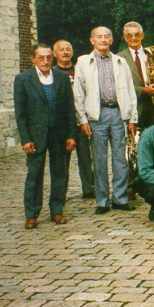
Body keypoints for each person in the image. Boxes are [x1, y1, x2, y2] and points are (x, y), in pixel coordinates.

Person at [72, 26, 138, 215]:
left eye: (106, 36)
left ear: (111, 40)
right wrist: (83, 120)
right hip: (97, 115)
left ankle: (120, 199)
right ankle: (102, 201)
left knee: (120, 159)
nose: (103, 39)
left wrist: (132, 118)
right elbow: (78, 94)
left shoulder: (120, 62)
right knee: (99, 159)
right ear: (92, 40)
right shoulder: (84, 62)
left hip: (118, 113)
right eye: (98, 37)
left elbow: (131, 92)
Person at [14, 44, 78, 229]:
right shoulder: (23, 80)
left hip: (59, 134)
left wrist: (71, 135)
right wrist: (25, 139)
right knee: (34, 174)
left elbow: (69, 109)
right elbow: (21, 113)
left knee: (60, 173)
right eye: (40, 57)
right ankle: (32, 214)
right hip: (36, 136)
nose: (45, 61)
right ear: (33, 59)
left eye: (48, 57)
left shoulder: (61, 78)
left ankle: (57, 210)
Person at [53, 39, 94, 199]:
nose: (65, 52)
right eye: (61, 49)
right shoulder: (53, 73)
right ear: (55, 53)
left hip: (81, 118)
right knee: (63, 159)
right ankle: (61, 192)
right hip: (63, 123)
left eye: (68, 49)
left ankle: (89, 189)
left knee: (85, 157)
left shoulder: (80, 70)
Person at [117, 21, 154, 130]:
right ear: (125, 37)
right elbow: (120, 86)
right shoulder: (119, 58)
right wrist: (144, 90)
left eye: (137, 34)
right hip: (134, 108)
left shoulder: (152, 54)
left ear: (142, 35)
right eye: (129, 35)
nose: (134, 38)